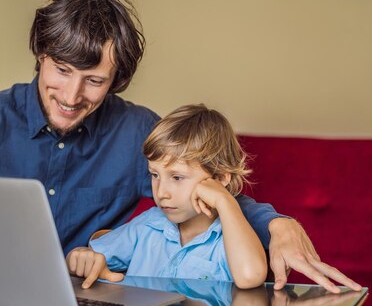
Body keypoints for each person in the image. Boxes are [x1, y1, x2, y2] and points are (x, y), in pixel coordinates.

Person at [0, 0, 360, 293]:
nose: (72, 96)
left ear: (117, 79)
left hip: (85, 304)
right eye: (61, 70)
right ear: (41, 56)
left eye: (94, 81)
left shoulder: (138, 130)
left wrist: (277, 224)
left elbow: (200, 190)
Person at [66, 104, 268, 289]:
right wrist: (79, 259)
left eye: (177, 177)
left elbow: (250, 276)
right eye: (155, 175)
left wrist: (225, 201)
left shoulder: (230, 239)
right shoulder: (149, 225)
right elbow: (88, 255)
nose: (161, 193)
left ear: (220, 178)